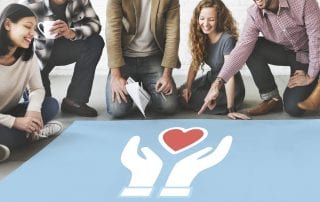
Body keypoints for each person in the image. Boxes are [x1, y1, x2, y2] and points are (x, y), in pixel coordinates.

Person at [198, 0, 320, 117]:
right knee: (250, 47)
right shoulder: (254, 14)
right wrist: (217, 84)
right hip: (285, 51)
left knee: (293, 108)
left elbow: (316, 39)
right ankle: (272, 99)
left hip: (308, 54)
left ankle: (316, 82)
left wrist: (311, 75)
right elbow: (242, 48)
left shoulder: (303, 2)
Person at [19, 0, 105, 117]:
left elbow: (95, 23)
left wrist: (73, 32)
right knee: (45, 110)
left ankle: (74, 100)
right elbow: (13, 36)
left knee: (95, 42)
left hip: (65, 48)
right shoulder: (28, 3)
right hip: (37, 56)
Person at [0, 4, 62, 162]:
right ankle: (33, 134)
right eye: (27, 26)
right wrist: (15, 122)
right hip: (5, 120)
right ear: (7, 24)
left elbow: (37, 88)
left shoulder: (27, 55)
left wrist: (33, 111)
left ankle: (20, 135)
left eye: (34, 28)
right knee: (6, 133)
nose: (32, 34)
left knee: (50, 105)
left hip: (7, 112)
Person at [105, 0, 180, 118]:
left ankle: (145, 86)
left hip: (153, 58)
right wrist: (116, 76)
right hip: (125, 59)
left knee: (169, 106)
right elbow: (112, 31)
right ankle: (139, 87)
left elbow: (173, 34)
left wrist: (167, 75)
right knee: (117, 110)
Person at [179, 0, 249, 120]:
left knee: (186, 100)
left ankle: (226, 105)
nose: (205, 24)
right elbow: (194, 64)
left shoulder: (227, 40)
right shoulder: (202, 38)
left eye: (211, 19)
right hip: (210, 78)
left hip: (229, 87)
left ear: (219, 20)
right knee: (181, 93)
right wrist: (188, 87)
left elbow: (230, 75)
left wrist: (230, 109)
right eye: (202, 18)